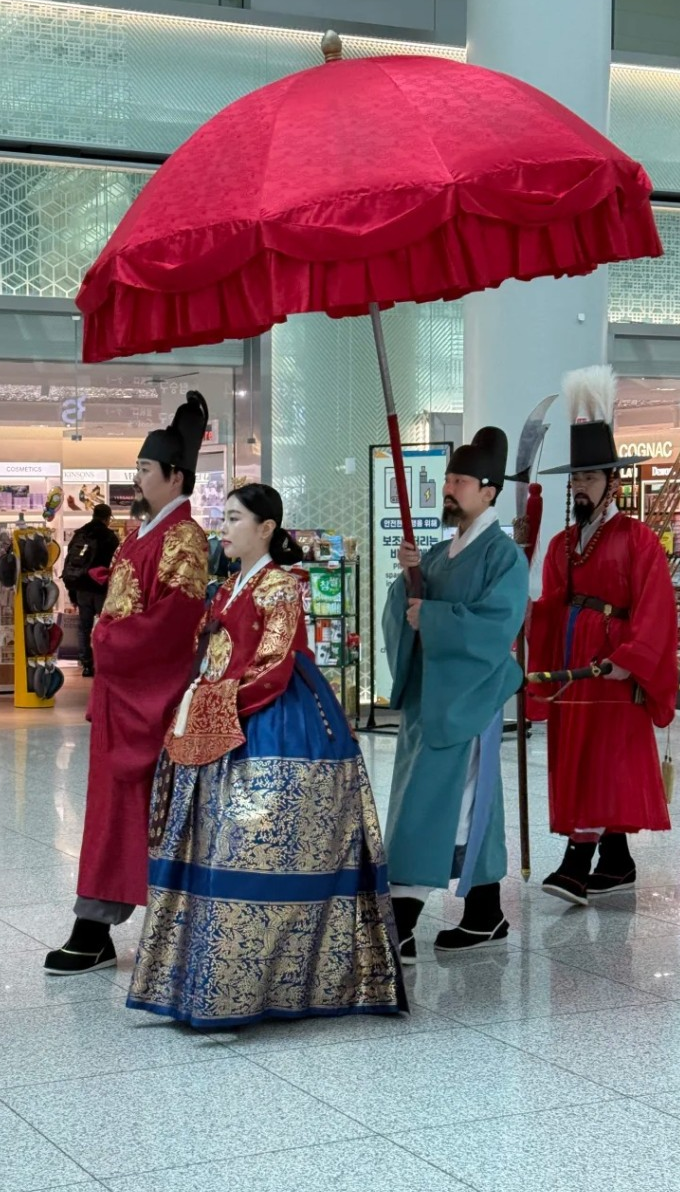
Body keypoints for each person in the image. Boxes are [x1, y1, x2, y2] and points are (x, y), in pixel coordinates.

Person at [127, 485, 405, 1027]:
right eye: (223, 518)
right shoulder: (226, 588)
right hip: (223, 717)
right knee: (213, 846)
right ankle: (210, 980)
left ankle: (270, 981)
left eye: (234, 518)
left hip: (274, 720)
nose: (223, 528)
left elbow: (273, 664)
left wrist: (211, 706)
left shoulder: (281, 586)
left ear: (267, 528)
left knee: (256, 846)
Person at [44, 392, 211, 974]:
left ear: (175, 475)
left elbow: (174, 622)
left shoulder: (184, 539)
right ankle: (97, 926)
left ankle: (99, 927)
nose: (136, 478)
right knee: (115, 813)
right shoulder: (146, 532)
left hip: (150, 695)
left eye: (144, 468)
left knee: (137, 813)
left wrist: (108, 641)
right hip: (125, 693)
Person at [528, 366, 677, 903]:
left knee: (604, 760)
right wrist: (524, 616)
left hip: (612, 666)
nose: (580, 487)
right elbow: (550, 605)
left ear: (613, 483)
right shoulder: (560, 544)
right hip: (574, 663)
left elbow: (657, 608)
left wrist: (631, 658)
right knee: (581, 756)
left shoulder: (638, 540)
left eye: (589, 479)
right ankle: (616, 860)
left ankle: (577, 860)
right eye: (575, 479)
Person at [383, 428, 528, 961]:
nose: (448, 489)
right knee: (467, 805)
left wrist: (433, 617)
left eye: (460, 481)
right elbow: (405, 612)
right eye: (448, 479)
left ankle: (400, 920)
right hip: (431, 698)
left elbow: (496, 624)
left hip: (466, 700)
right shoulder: (441, 554)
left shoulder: (503, 556)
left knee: (434, 805)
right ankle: (486, 913)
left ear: (489, 491)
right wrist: (409, 577)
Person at [63, 503, 120, 677]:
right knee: (107, 626)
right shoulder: (110, 537)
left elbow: (70, 562)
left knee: (84, 628)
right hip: (102, 587)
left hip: (81, 587)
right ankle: (106, 663)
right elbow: (117, 563)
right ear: (107, 518)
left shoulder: (80, 534)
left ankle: (87, 665)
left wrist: (72, 591)